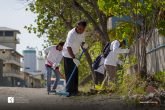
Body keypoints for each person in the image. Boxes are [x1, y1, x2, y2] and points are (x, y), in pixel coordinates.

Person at [62, 20, 88, 96]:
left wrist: (84, 45)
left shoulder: (82, 33)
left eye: (83, 29)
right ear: (77, 26)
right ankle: (69, 91)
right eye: (80, 29)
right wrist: (73, 58)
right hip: (67, 54)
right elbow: (68, 47)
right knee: (70, 73)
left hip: (75, 54)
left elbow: (82, 42)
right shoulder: (71, 34)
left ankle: (75, 91)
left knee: (75, 73)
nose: (81, 31)